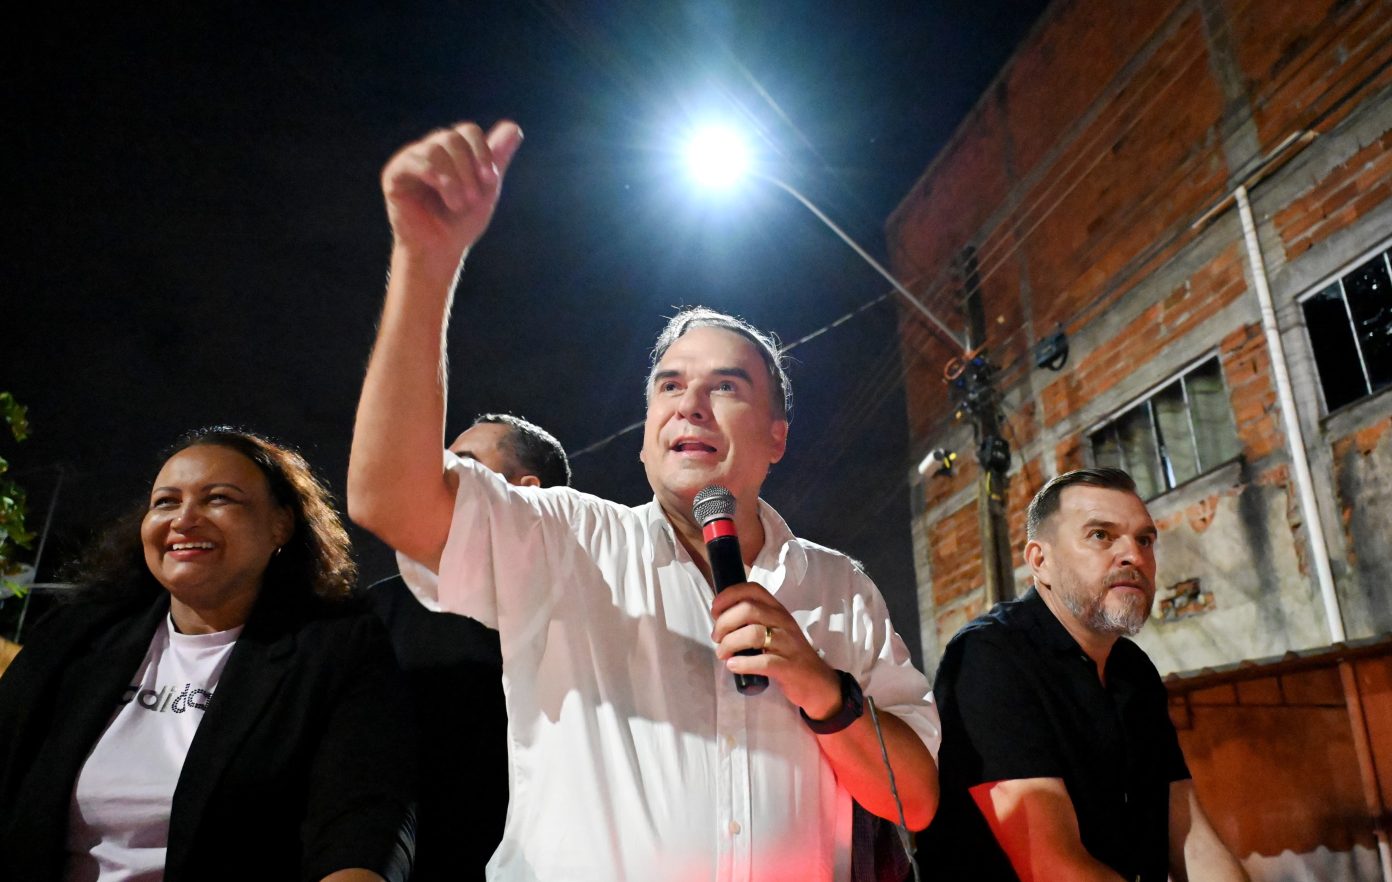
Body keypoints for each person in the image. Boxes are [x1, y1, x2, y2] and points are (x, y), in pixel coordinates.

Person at [347, 120, 940, 881]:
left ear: (776, 437)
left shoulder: (840, 589)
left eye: (726, 386)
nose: (689, 404)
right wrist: (426, 264)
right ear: (646, 437)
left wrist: (822, 688)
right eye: (670, 386)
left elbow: (914, 801)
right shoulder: (567, 541)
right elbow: (387, 497)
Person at [0, 427, 415, 882]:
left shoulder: (337, 651)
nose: (184, 519)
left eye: (219, 499)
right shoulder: (75, 635)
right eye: (166, 502)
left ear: (280, 524)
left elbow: (360, 817)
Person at [921, 467, 1249, 881]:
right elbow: (1051, 866)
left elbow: (1189, 835)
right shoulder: (989, 656)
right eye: (1101, 535)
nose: (1134, 556)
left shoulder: (1133, 670)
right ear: (1040, 561)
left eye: (1144, 540)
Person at [362, 414, 571, 882]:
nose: (436, 479)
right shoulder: (373, 614)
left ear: (526, 491)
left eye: (462, 464)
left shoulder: (589, 613)